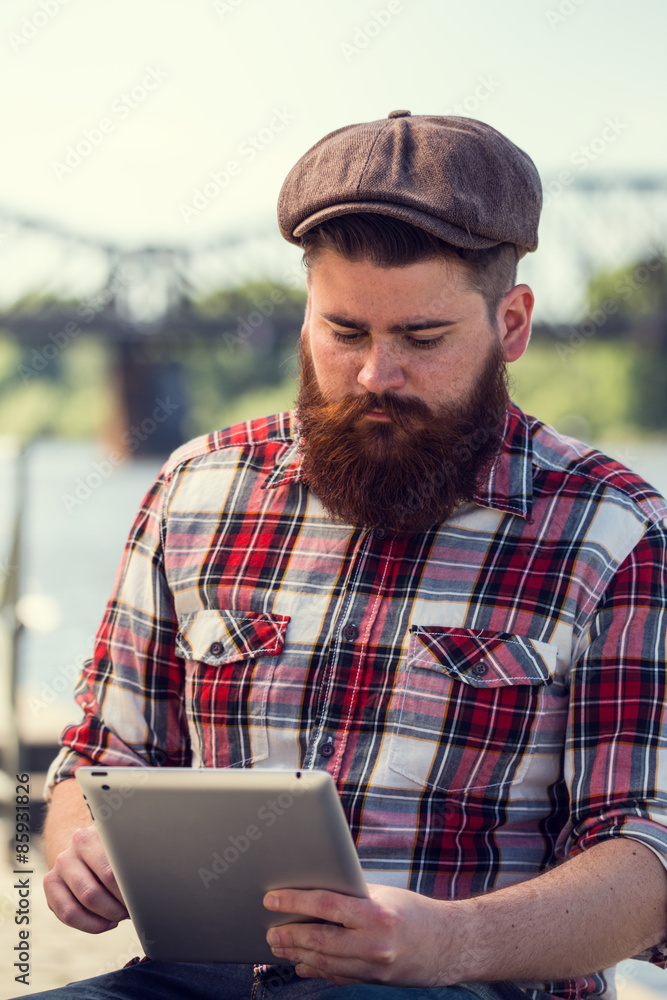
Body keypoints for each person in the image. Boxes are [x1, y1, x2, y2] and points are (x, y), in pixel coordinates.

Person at [21, 112, 667, 1000]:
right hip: (187, 980)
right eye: (345, 331)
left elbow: (646, 860)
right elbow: (99, 760)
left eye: (422, 339)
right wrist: (78, 851)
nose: (375, 375)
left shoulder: (614, 530)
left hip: (468, 991)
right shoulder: (194, 490)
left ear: (510, 325)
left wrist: (446, 943)